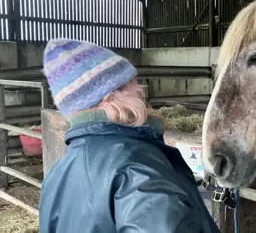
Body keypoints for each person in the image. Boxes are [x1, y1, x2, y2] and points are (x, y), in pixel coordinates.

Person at [39, 39, 220, 233]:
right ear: (112, 96)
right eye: (132, 83)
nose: (141, 90)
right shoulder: (136, 166)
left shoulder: (55, 178)